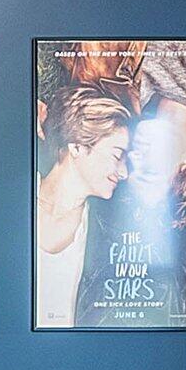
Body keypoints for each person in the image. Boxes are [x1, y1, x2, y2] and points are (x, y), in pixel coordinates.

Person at [33, 83, 131, 328]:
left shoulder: (110, 232)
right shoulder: (2, 206)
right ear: (76, 146)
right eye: (117, 155)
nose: (124, 172)